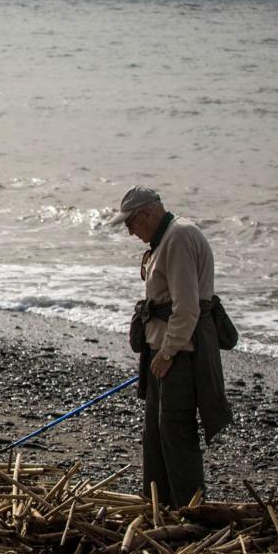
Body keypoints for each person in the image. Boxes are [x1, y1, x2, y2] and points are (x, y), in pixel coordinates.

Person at [111, 186, 232, 508]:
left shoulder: (178, 237)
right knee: (155, 432)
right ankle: (157, 504)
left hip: (181, 351)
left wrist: (168, 352)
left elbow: (188, 307)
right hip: (161, 346)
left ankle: (188, 510)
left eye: (131, 223)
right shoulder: (163, 240)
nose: (129, 231)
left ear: (148, 213)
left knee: (176, 431)